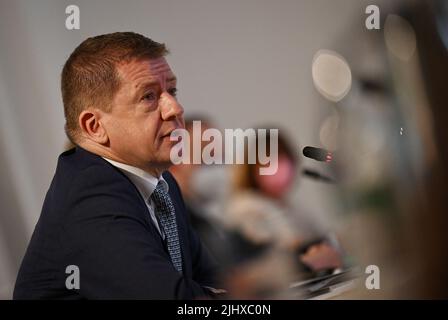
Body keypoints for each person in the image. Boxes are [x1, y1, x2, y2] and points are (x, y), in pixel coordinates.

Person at [13, 32, 222, 299]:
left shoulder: (163, 184)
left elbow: (213, 280)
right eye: (148, 96)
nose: (175, 108)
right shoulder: (89, 196)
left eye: (171, 91)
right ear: (95, 127)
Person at [226, 128, 343, 274]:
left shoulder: (294, 207)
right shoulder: (246, 207)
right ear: (252, 168)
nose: (278, 168)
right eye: (268, 161)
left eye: (282, 160)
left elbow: (323, 236)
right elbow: (286, 249)